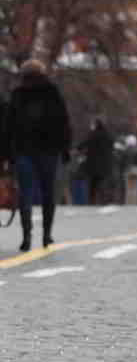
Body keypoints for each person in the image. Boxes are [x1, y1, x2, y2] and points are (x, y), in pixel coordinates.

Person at [0, 60, 72, 252]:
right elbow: (63, 122)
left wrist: (6, 155)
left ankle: (27, 236)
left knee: (26, 193)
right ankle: (46, 235)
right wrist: (65, 149)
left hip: (24, 151)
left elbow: (8, 128)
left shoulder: (18, 94)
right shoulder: (52, 92)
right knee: (48, 193)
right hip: (49, 151)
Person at [81, 118, 114, 204]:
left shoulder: (93, 135)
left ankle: (92, 200)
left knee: (93, 184)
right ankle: (104, 199)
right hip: (105, 164)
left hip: (93, 164)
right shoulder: (107, 135)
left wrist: (77, 148)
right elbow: (111, 146)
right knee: (103, 183)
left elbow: (85, 143)